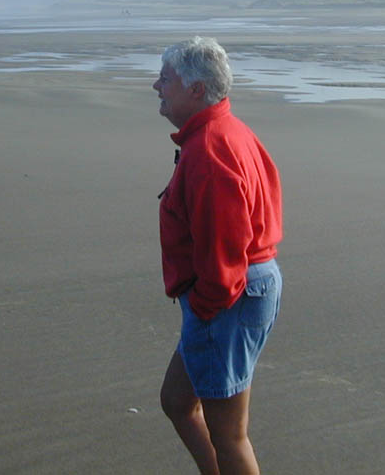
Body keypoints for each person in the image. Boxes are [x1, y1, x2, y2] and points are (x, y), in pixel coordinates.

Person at [153, 36, 283, 475]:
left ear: (195, 90)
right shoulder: (225, 131)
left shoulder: (210, 148)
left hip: (228, 295)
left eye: (165, 79)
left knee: (229, 433)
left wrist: (207, 307)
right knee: (176, 401)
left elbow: (225, 246)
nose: (156, 86)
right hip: (233, 290)